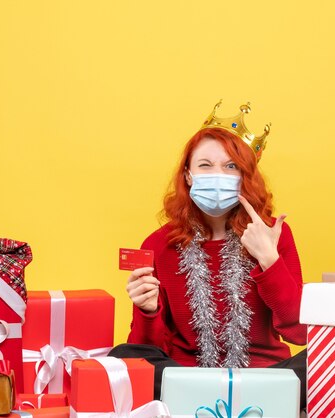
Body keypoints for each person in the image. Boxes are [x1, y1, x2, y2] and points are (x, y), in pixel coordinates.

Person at [109, 101, 307, 405]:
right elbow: (145, 349)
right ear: (188, 175)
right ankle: (222, 397)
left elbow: (299, 333)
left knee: (325, 358)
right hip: (188, 377)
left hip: (265, 377)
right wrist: (148, 311)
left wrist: (269, 259)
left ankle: (224, 397)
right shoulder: (159, 243)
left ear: (245, 176)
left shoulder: (272, 234)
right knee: (123, 356)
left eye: (231, 167)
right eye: (205, 165)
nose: (218, 175)